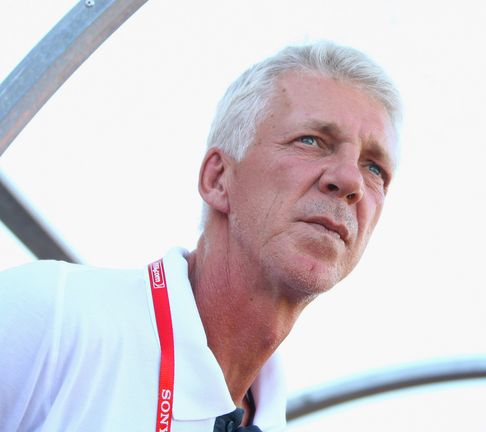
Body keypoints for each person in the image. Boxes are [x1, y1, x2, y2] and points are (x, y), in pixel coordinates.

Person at [0, 42, 402, 431]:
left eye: (374, 168)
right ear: (218, 179)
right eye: (311, 141)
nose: (350, 181)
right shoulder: (52, 317)